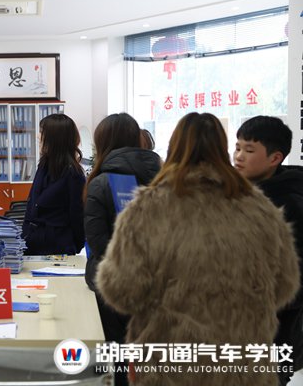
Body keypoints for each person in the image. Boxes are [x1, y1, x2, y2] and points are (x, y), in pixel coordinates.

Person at [96, 112, 299, 386]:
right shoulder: (261, 208)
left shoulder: (146, 209)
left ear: (173, 148)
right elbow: (285, 285)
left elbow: (121, 291)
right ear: (223, 149)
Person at [83, 113, 161, 386]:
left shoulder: (101, 182)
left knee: (116, 359)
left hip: (114, 288)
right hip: (158, 285)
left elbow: (98, 243)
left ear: (103, 143)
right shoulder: (164, 179)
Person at [234, 115, 303, 385]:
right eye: (237, 147)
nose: (239, 156)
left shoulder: (290, 205)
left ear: (275, 158)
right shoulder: (237, 195)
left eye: (249, 150)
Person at [21, 113, 85, 255]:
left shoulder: (73, 174)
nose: (38, 136)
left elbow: (77, 217)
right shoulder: (43, 165)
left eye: (42, 132)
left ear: (55, 139)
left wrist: (74, 245)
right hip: (31, 244)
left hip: (58, 248)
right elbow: (31, 207)